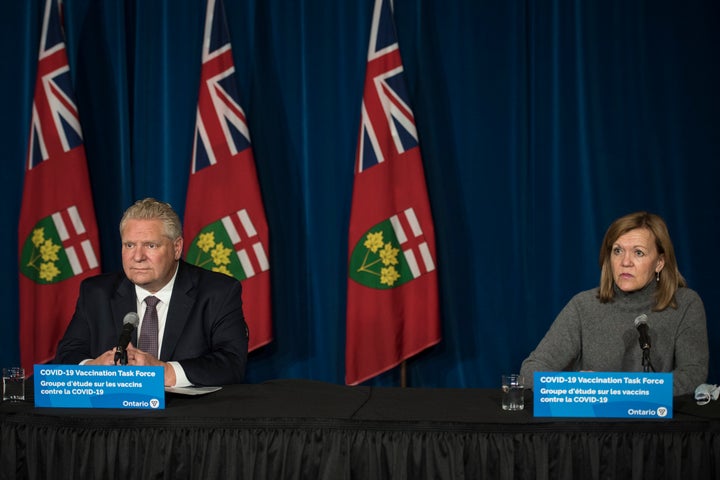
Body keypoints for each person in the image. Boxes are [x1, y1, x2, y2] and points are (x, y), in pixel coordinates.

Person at [54, 198, 249, 387]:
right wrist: (92, 369)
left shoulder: (218, 292)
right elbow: (67, 355)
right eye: (129, 245)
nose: (137, 257)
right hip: (113, 415)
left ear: (177, 247)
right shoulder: (96, 293)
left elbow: (231, 364)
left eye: (150, 245)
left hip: (185, 416)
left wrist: (164, 372)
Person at [520, 211, 708, 396]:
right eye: (617, 251)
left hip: (655, 423)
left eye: (639, 253)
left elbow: (693, 374)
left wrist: (620, 391)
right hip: (593, 424)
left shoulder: (684, 304)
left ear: (659, 262)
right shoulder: (583, 306)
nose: (625, 262)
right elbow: (531, 371)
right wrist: (573, 385)